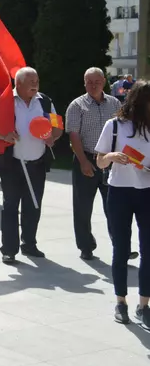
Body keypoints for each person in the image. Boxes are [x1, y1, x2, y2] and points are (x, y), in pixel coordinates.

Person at [0, 67, 62, 264]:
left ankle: (29, 244)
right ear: (18, 84)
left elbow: (58, 126)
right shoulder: (5, 101)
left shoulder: (45, 101)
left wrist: (53, 137)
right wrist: (3, 136)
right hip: (11, 164)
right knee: (10, 206)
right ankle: (9, 249)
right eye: (31, 81)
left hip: (37, 163)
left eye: (37, 80)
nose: (35, 84)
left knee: (33, 204)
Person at [95, 81, 150, 328]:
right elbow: (99, 162)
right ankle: (121, 301)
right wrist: (111, 156)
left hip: (146, 192)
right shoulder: (114, 126)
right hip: (119, 192)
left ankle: (144, 305)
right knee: (121, 248)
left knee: (148, 251)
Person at [67, 68, 123, 261]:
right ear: (84, 83)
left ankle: (120, 246)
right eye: (89, 82)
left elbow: (121, 129)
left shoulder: (115, 103)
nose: (93, 85)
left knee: (114, 206)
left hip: (109, 161)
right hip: (87, 158)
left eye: (97, 81)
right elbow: (74, 136)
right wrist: (83, 161)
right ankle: (86, 246)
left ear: (104, 81)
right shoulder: (77, 105)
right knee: (83, 207)